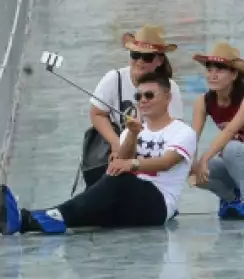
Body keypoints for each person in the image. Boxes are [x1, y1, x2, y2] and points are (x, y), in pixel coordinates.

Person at [0, 71, 196, 235]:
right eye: (138, 96)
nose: (142, 101)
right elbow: (120, 160)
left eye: (149, 95)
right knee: (90, 210)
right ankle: (25, 220)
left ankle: (52, 216)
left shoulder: (182, 131)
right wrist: (133, 134)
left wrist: (131, 165)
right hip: (128, 201)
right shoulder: (131, 129)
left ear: (167, 98)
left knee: (121, 178)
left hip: (158, 204)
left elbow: (167, 162)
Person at [78, 26, 188, 188]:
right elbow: (97, 113)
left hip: (150, 150)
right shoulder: (113, 79)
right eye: (135, 55)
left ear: (159, 61)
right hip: (117, 144)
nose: (140, 61)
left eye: (147, 57)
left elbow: (172, 130)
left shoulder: (170, 88)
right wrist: (116, 143)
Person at [188, 42, 244, 220]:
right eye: (210, 69)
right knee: (189, 168)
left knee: (231, 147)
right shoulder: (204, 101)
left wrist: (205, 159)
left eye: (220, 70)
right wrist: (193, 161)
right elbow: (192, 137)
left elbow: (229, 131)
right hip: (233, 164)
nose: (213, 75)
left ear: (233, 74)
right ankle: (230, 199)